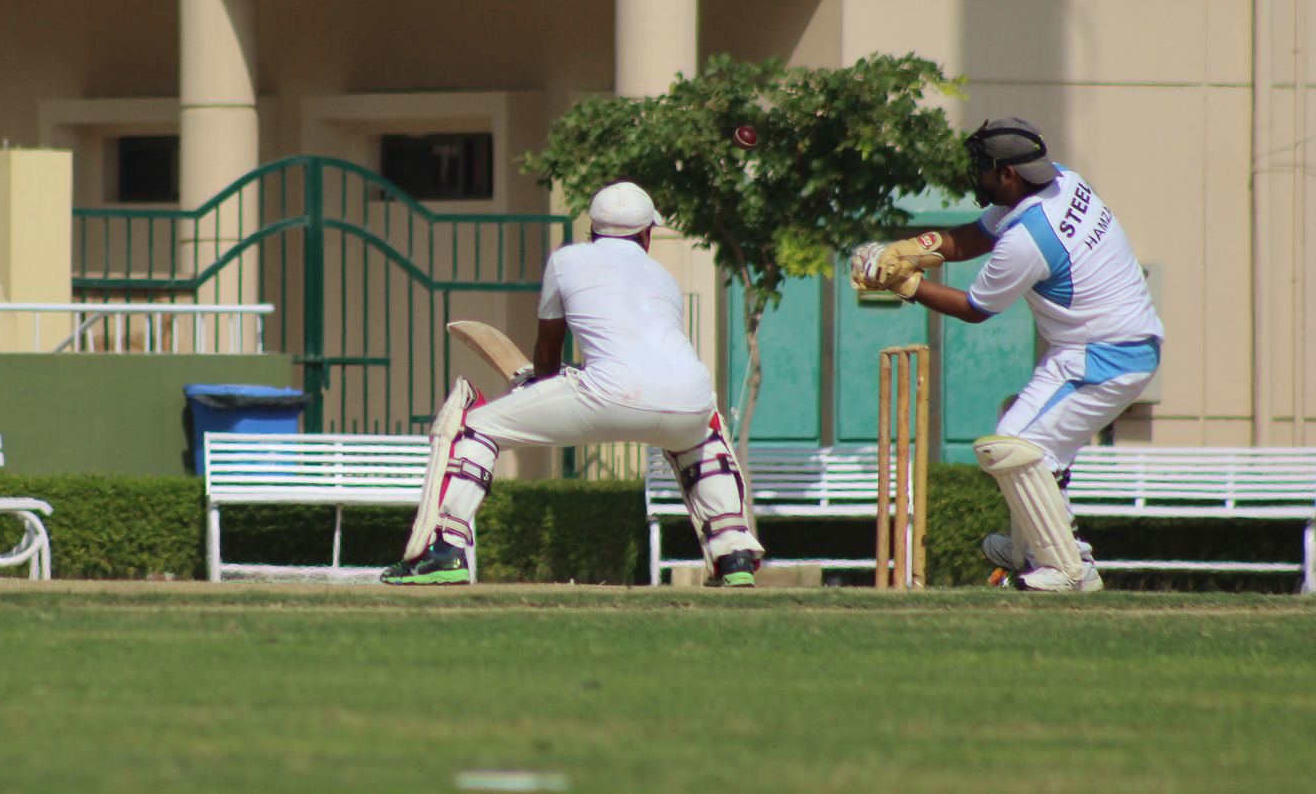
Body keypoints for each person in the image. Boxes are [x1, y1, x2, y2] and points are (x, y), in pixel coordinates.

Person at [382, 181, 765, 587]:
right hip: (690, 397)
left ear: (592, 229)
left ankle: (445, 551)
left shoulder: (566, 260)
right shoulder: (663, 277)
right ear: (646, 234)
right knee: (703, 433)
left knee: (471, 428)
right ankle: (734, 555)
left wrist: (540, 383)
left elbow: (549, 347)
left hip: (608, 394)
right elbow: (646, 358)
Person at [851, 117, 1162, 593]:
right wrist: (911, 249)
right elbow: (975, 236)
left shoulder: (1029, 238)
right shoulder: (1063, 181)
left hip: (1105, 354)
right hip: (1110, 344)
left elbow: (975, 309)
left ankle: (1068, 569)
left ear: (1007, 173)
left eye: (983, 168)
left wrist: (906, 284)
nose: (978, 176)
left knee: (1013, 443)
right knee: (1022, 431)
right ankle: (1030, 549)